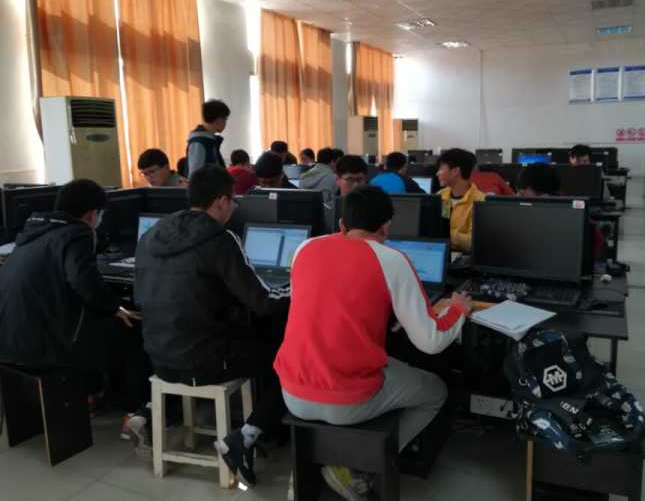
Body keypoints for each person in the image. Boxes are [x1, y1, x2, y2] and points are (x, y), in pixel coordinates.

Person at [248, 185, 470, 501]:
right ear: (387, 227)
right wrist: (458, 309)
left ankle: (320, 464)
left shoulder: (305, 248)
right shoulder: (392, 259)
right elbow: (431, 341)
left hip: (292, 393)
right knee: (435, 392)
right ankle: (360, 469)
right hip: (347, 401)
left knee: (386, 363)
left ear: (341, 224)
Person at [130, 166, 291, 487]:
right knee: (288, 359)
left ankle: (147, 410)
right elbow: (263, 301)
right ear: (220, 201)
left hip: (158, 356)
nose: (234, 208)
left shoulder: (153, 234)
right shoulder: (219, 239)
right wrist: (300, 283)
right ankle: (248, 436)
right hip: (204, 360)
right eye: (233, 201)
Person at [0, 179, 145, 436]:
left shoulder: (33, 232)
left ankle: (94, 392)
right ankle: (132, 409)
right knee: (131, 330)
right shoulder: (77, 233)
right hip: (43, 346)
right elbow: (83, 282)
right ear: (91, 214)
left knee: (97, 321)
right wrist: (115, 308)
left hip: (9, 340)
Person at [436, 148, 486, 252]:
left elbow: (473, 242)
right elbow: (441, 224)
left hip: (464, 257)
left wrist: (446, 235)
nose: (437, 173)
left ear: (455, 171)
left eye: (441, 169)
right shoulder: (442, 196)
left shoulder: (480, 201)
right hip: (440, 252)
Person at [187, 99, 230, 177]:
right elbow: (195, 176)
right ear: (218, 119)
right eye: (225, 119)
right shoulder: (199, 142)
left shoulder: (210, 140)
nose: (225, 123)